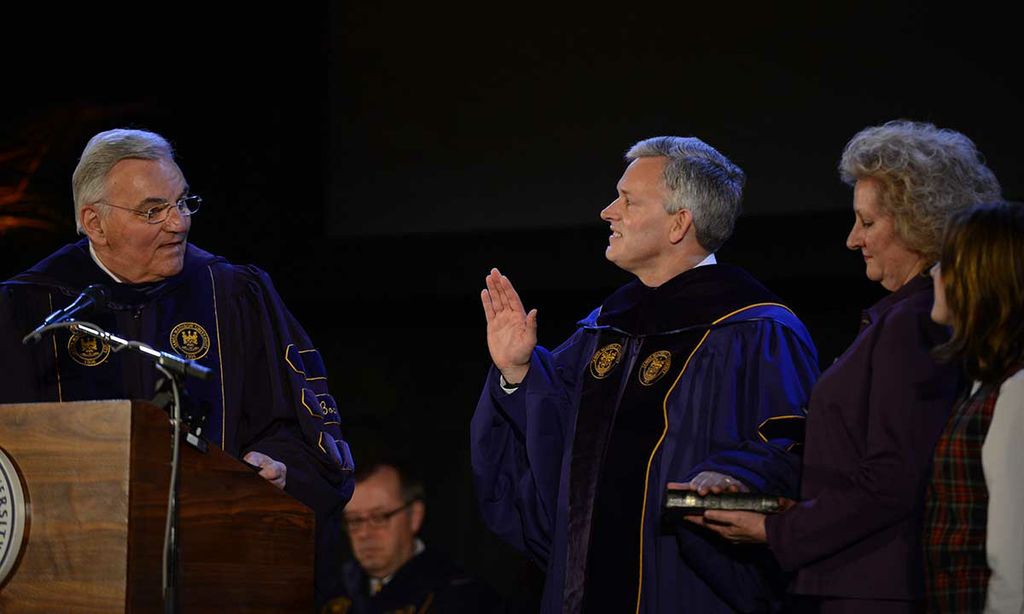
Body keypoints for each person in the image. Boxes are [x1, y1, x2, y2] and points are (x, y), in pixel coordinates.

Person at [0, 128, 355, 607]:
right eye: (153, 211)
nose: (179, 223)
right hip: (69, 583)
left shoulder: (231, 294)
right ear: (95, 223)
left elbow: (300, 424)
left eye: (183, 202)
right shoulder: (28, 308)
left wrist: (278, 464)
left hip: (218, 572)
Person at [471, 135, 821, 613]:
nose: (607, 212)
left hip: (689, 589)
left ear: (679, 223)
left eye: (628, 200)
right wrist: (517, 371)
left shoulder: (755, 329)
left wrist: (734, 477)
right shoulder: (604, 330)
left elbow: (792, 446)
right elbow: (550, 458)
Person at [690, 120, 1002, 612]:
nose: (853, 240)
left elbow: (895, 479)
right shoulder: (899, 319)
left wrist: (777, 527)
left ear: (919, 221)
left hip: (872, 588)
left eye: (868, 222)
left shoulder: (915, 321)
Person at [925, 201, 1024, 613]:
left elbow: (1014, 567)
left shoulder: (1015, 393)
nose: (933, 273)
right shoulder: (984, 387)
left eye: (945, 262)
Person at [323, 461, 506, 614]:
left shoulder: (464, 598)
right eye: (354, 520)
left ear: (414, 517)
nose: (364, 533)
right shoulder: (328, 589)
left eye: (379, 517)